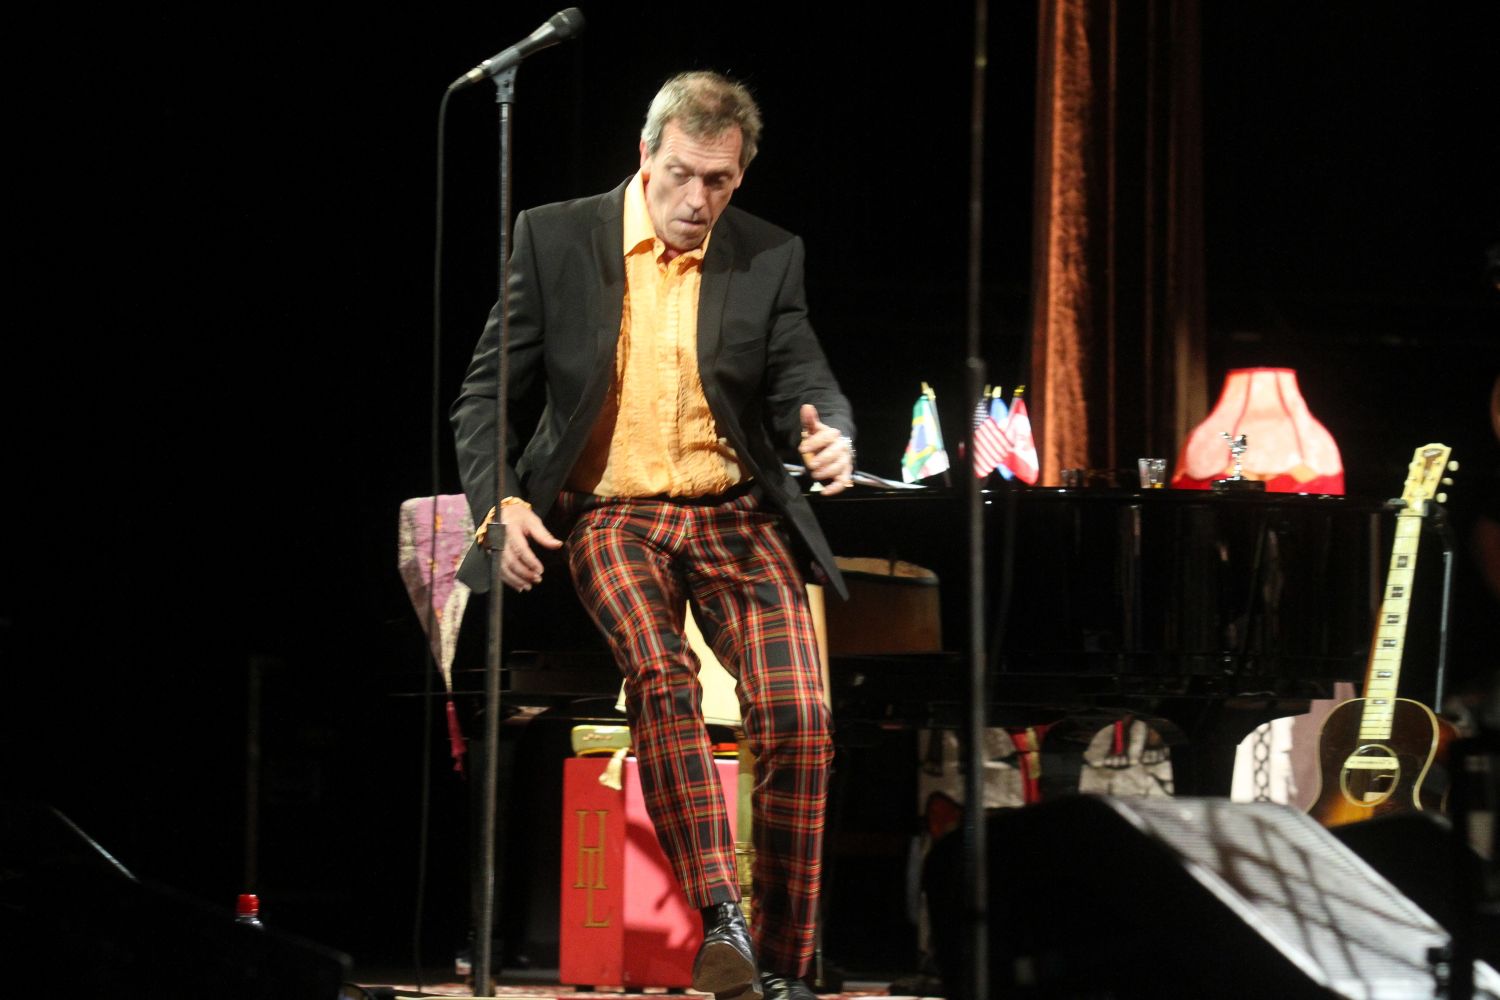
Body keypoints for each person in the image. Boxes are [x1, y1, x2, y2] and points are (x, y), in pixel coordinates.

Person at [451, 71, 855, 1000]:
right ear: (645, 154)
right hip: (614, 513)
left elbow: (804, 376)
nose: (697, 199)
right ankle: (722, 918)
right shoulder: (555, 238)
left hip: (734, 513)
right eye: (682, 174)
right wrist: (501, 502)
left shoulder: (769, 254)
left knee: (801, 718)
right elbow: (484, 396)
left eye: (719, 181)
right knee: (661, 674)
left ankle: (783, 968)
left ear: (739, 176)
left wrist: (829, 427)